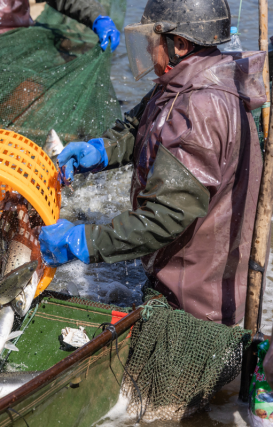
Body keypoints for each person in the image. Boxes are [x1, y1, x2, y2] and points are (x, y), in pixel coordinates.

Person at [40, 0, 266, 325]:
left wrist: (83, 240)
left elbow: (163, 218)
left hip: (198, 305)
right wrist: (100, 149)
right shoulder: (186, 79)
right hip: (174, 271)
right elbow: (141, 124)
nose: (146, 46)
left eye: (152, 39)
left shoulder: (201, 109)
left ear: (181, 44)